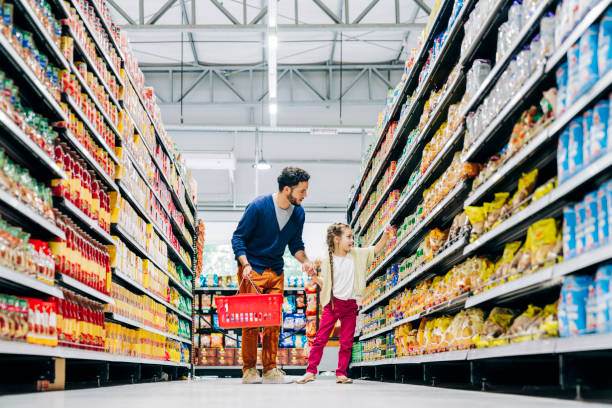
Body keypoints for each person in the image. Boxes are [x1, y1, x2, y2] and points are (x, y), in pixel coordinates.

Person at [232, 166, 315, 384]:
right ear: (287, 189)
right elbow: (238, 238)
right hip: (253, 270)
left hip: (276, 271)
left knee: (273, 322)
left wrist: (305, 261)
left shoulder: (298, 213)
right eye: (302, 191)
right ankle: (249, 370)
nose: (305, 195)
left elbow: (295, 245)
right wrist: (245, 264)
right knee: (250, 323)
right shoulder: (259, 207)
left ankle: (270, 369)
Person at [296, 222, 392, 384]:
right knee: (320, 339)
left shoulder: (356, 255)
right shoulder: (327, 261)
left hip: (350, 305)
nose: (352, 240)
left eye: (352, 237)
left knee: (346, 342)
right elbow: (325, 284)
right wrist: (313, 276)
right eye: (348, 237)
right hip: (332, 304)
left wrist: (385, 235)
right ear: (337, 239)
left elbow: (375, 250)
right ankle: (310, 371)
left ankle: (341, 373)